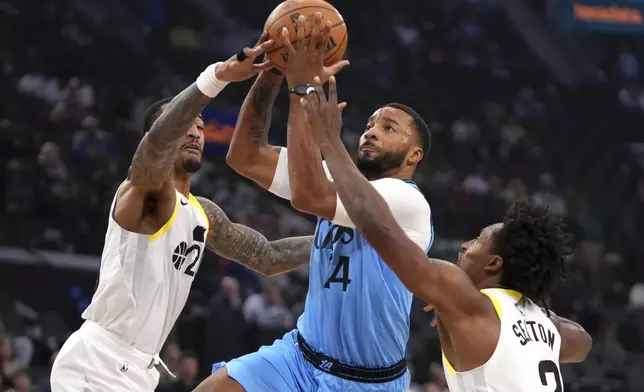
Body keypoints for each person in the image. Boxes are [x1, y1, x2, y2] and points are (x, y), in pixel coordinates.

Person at [49, 34, 315, 392]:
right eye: (186, 125)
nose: (195, 132)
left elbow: (268, 256)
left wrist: (340, 237)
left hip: (139, 370)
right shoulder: (143, 192)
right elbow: (158, 143)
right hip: (99, 360)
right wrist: (216, 77)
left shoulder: (204, 214)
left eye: (201, 127)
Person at [297, 75, 594, 391]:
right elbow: (584, 341)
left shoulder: (468, 300)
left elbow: (373, 223)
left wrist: (329, 140)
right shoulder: (549, 326)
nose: (465, 245)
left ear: (494, 264)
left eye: (478, 240)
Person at [197, 14, 434, 392]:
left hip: (364, 381)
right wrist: (273, 70)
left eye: (388, 128)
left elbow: (310, 196)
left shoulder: (407, 202)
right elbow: (245, 155)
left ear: (414, 155)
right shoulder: (332, 178)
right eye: (371, 123)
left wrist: (303, 88)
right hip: (299, 356)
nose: (372, 130)